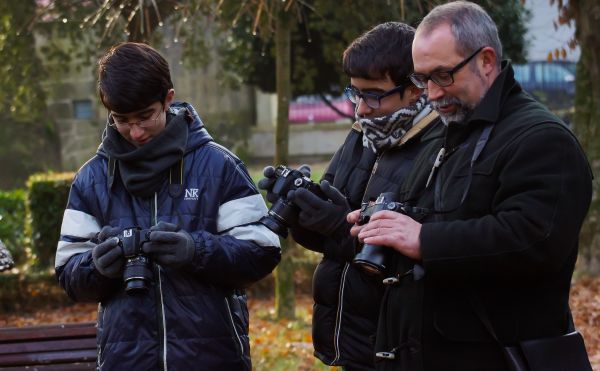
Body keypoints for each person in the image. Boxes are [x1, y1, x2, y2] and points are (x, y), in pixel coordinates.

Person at [349, 2, 593, 370]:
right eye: (422, 79)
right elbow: (436, 219)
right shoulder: (448, 135)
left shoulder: (542, 139)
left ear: (487, 61)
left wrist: (423, 240)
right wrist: (379, 226)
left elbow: (533, 240)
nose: (431, 94)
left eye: (442, 75)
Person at [54, 42, 281, 370]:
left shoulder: (219, 166)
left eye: (145, 116)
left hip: (212, 359)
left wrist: (196, 252)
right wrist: (96, 266)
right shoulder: (91, 179)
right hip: (126, 362)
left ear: (168, 99)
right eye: (121, 119)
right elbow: (68, 275)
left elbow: (263, 251)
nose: (135, 131)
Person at [259, 22, 443, 370]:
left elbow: (427, 253)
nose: (361, 108)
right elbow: (330, 237)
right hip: (354, 343)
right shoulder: (363, 135)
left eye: (372, 94)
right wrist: (302, 210)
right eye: (355, 93)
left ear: (415, 89)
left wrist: (341, 229)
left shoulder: (443, 147)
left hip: (406, 346)